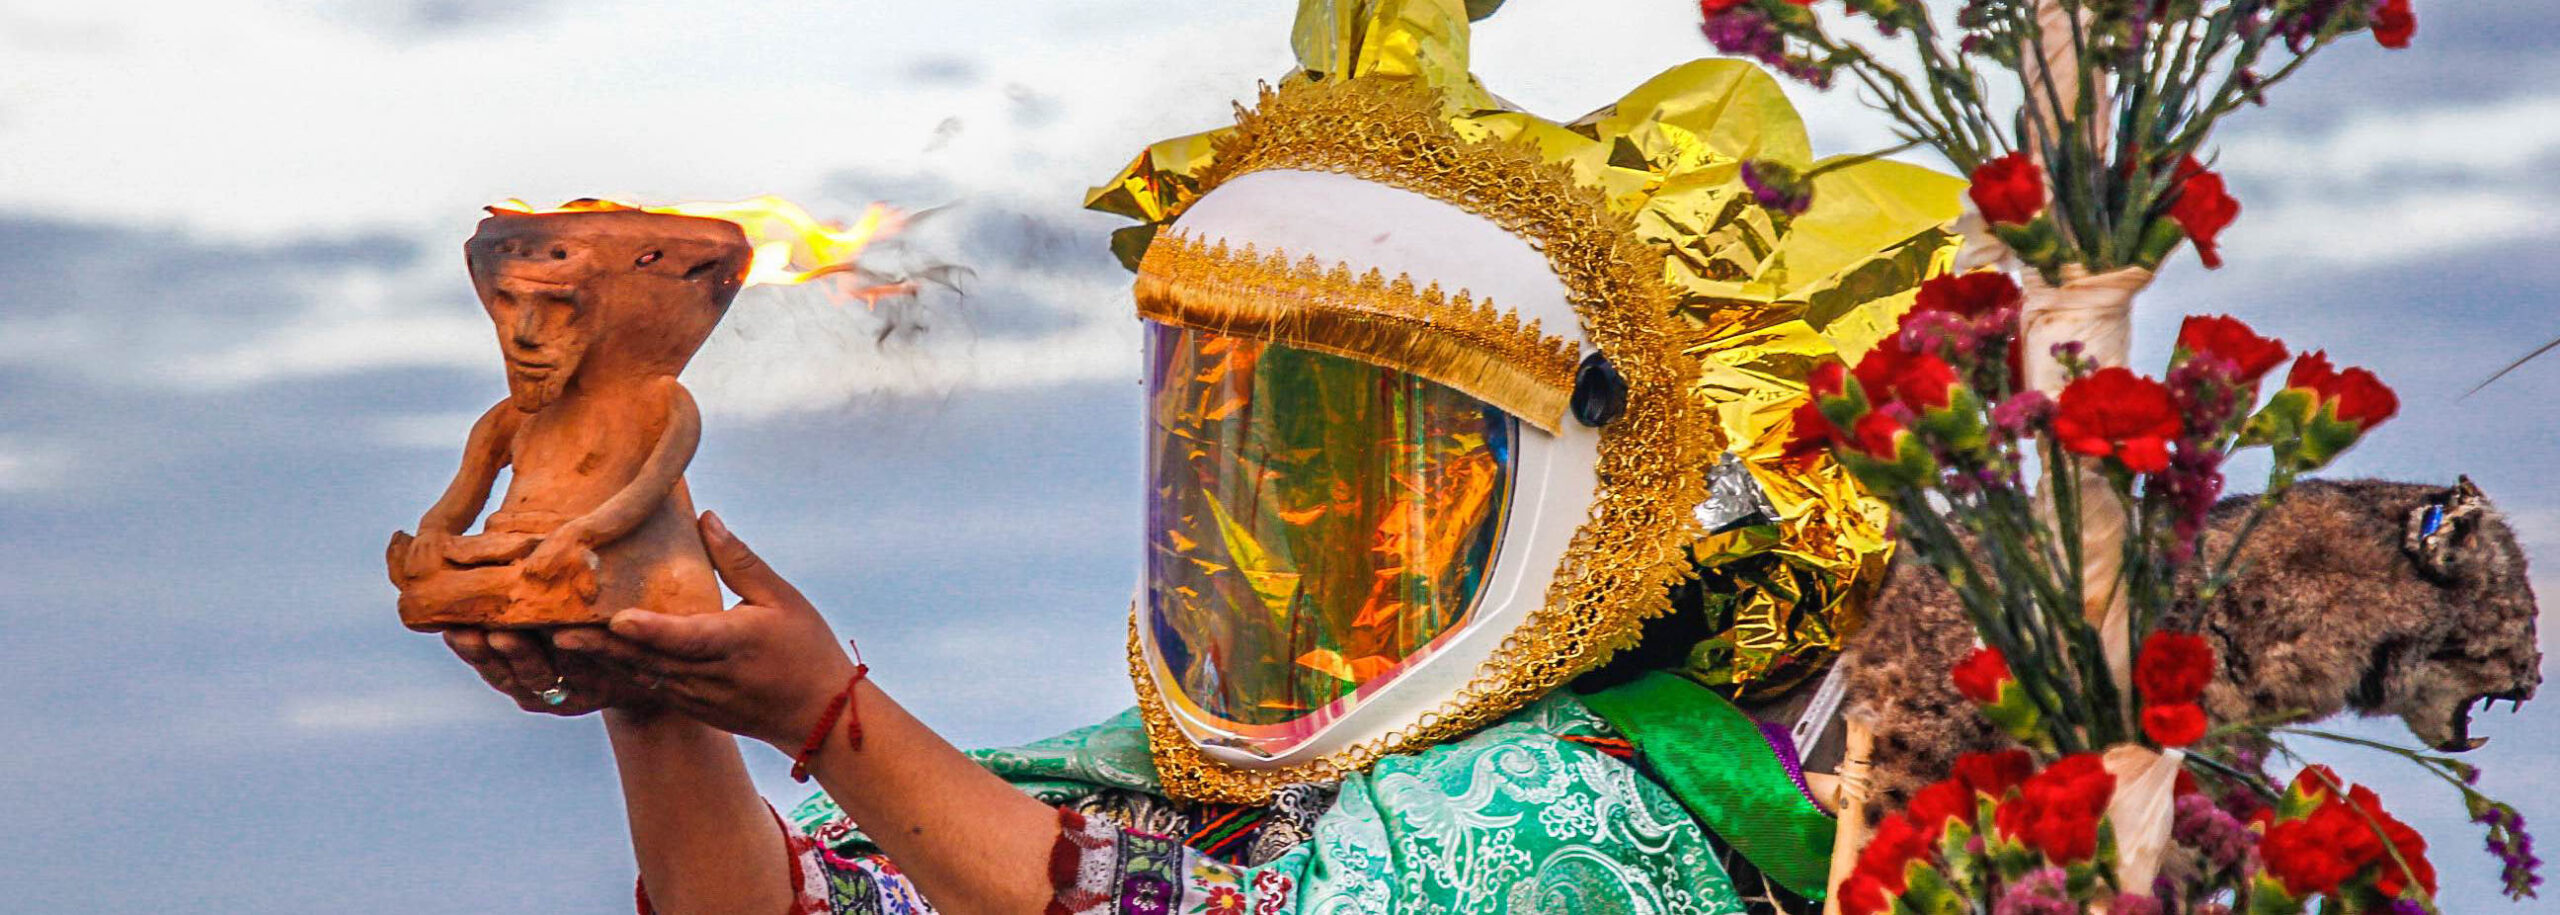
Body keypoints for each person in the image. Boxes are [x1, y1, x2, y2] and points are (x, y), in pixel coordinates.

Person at [439, 2, 1966, 912]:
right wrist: (649, 648)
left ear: (1573, 492)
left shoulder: (1576, 812)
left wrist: (828, 714)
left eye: (1363, 473)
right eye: (1242, 455)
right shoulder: (1146, 785)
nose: (1272, 528)